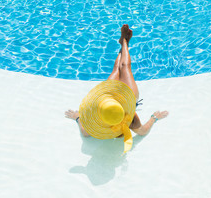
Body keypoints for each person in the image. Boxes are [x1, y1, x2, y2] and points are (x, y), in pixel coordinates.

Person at [65, 24, 168, 153]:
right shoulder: (129, 117)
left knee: (117, 69)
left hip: (107, 96)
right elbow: (142, 132)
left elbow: (85, 132)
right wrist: (154, 117)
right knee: (124, 67)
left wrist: (77, 117)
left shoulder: (96, 116)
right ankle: (125, 42)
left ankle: (124, 41)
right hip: (128, 95)